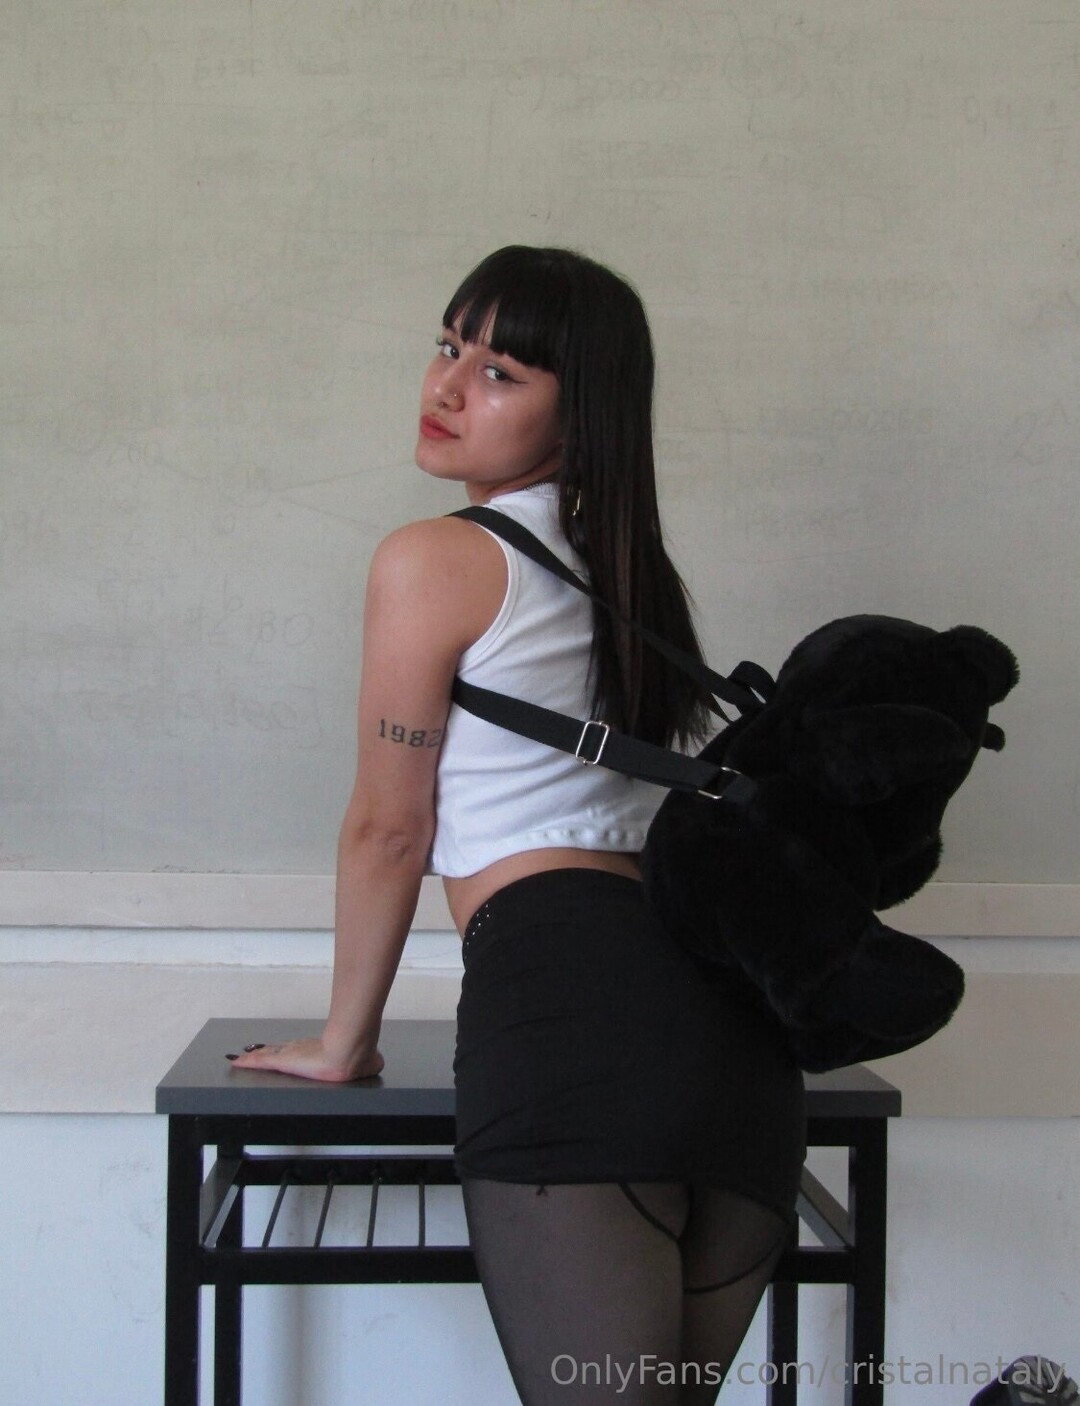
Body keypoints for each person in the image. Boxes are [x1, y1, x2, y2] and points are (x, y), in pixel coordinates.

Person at [230, 246, 806, 1403]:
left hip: (571, 1009)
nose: (447, 386)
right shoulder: (629, 574)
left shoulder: (436, 556)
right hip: (739, 1039)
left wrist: (345, 1043)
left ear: (579, 409)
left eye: (501, 372)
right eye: (449, 348)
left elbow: (389, 828)